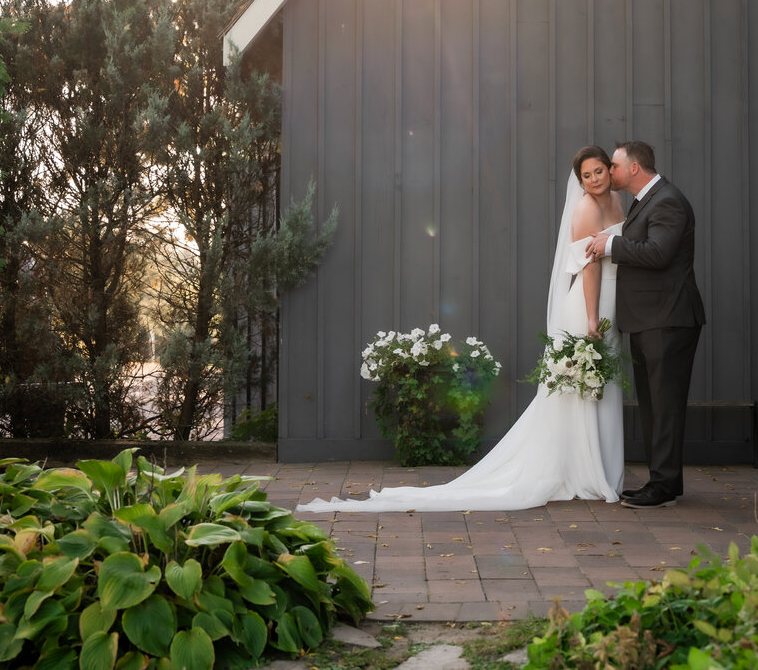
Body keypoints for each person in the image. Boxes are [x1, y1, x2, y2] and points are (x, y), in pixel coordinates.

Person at [297, 145, 626, 514]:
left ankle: (596, 469)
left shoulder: (615, 199)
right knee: (579, 389)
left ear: (609, 171)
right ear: (579, 180)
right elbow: (590, 267)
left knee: (601, 384)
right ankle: (583, 471)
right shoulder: (585, 208)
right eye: (587, 175)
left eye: (599, 171)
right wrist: (592, 317)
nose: (595, 179)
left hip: (609, 301)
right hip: (588, 304)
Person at [585, 141, 705, 510]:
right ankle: (661, 482)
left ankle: (664, 484)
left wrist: (610, 246)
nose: (610, 171)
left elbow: (658, 253)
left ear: (634, 168)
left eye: (615, 166)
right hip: (650, 318)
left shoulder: (667, 200)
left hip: (668, 318)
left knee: (664, 405)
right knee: (653, 404)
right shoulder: (645, 200)